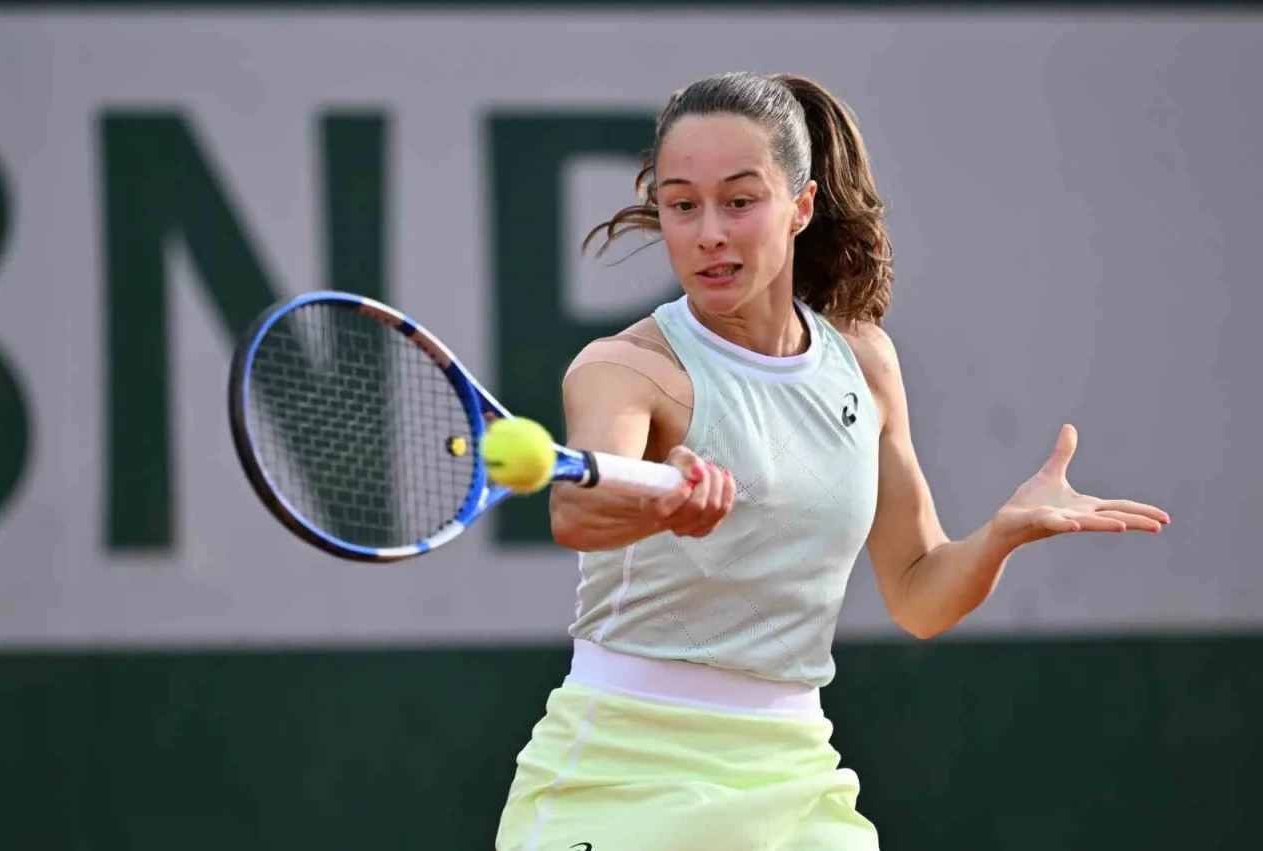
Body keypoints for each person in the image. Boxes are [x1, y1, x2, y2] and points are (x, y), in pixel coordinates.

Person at [494, 71, 1169, 851]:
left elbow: (918, 593)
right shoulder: (626, 368)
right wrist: (659, 505)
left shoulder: (865, 363)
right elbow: (575, 510)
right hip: (620, 771)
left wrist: (1000, 536)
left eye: (740, 201)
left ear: (801, 206)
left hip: (795, 776)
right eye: (683, 205)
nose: (709, 231)